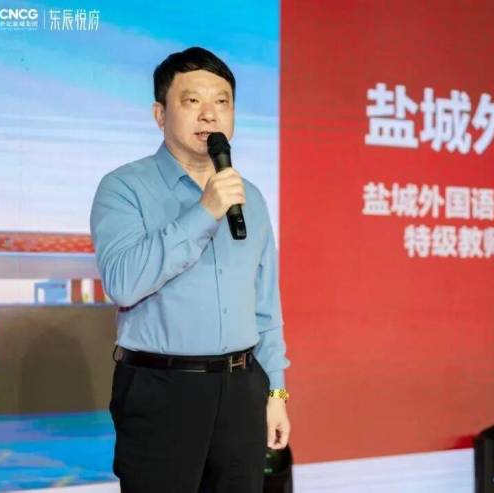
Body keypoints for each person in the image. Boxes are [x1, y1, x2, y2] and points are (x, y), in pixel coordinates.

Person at [89, 46, 290, 493]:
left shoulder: (251, 197)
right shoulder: (124, 188)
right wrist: (204, 212)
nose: (209, 115)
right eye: (192, 100)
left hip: (242, 391)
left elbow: (266, 306)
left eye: (222, 102)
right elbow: (123, 283)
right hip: (161, 391)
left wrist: (276, 392)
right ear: (160, 114)